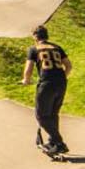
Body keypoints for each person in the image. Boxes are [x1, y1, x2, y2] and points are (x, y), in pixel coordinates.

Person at [21, 26, 71, 157]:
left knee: (41, 116)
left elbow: (28, 69)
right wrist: (61, 77)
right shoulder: (57, 47)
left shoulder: (34, 49)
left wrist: (25, 80)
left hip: (46, 84)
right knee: (53, 114)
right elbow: (69, 65)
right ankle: (52, 142)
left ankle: (59, 143)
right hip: (61, 83)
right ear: (47, 36)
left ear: (35, 37)